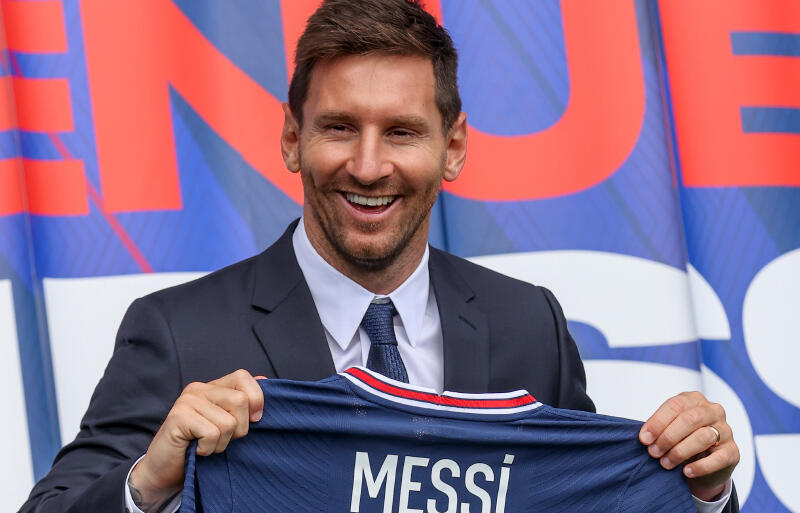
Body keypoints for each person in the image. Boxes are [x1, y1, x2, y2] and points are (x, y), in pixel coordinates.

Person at [20, 1, 740, 512]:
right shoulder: (179, 331)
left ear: (452, 147)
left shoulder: (528, 324)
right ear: (291, 138)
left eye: (401, 132)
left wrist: (702, 492)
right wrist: (148, 483)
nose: (367, 167)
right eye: (339, 127)